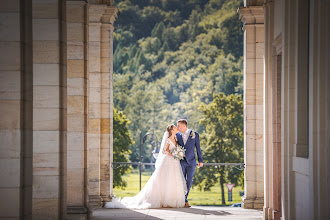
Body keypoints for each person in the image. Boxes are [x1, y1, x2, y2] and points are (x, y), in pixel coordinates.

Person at [105, 124, 187, 209]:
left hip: (174, 162)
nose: (177, 128)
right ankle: (164, 200)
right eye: (175, 127)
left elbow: (176, 149)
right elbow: (163, 151)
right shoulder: (168, 139)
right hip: (168, 161)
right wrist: (173, 154)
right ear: (172, 130)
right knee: (166, 179)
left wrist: (178, 153)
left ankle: (172, 200)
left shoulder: (176, 139)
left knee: (174, 179)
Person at [176, 119, 203, 208]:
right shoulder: (177, 135)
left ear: (184, 126)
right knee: (181, 180)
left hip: (191, 162)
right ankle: (184, 199)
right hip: (181, 161)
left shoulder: (194, 135)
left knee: (189, 180)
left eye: (179, 125)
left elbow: (198, 148)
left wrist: (200, 160)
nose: (177, 127)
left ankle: (185, 197)